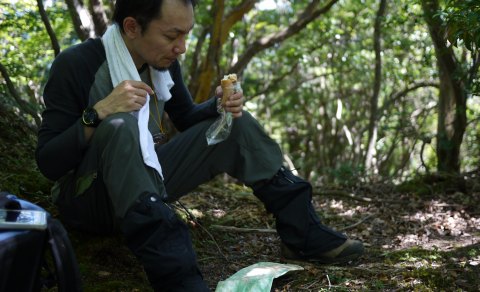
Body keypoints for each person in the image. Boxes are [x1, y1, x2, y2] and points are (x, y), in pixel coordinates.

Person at [36, 0, 364, 290]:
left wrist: (218, 106)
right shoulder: (77, 65)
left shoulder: (163, 63)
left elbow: (187, 117)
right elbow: (49, 162)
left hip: (147, 187)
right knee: (120, 126)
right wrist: (98, 113)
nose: (181, 46)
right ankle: (177, 277)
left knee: (236, 124)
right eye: (171, 35)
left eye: (186, 34)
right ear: (132, 26)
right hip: (88, 202)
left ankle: (303, 234)